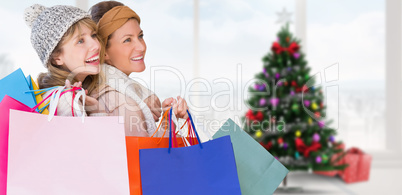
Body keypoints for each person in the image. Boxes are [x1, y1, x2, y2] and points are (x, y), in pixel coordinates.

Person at [89, 1, 188, 136]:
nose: (141, 47)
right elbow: (147, 157)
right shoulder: (120, 103)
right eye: (127, 40)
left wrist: (168, 120)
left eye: (140, 36)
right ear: (103, 51)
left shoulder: (127, 95)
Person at [25, 4, 102, 116]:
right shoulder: (65, 101)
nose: (96, 45)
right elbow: (100, 134)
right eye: (80, 41)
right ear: (57, 57)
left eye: (93, 35)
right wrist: (98, 112)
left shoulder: (66, 94)